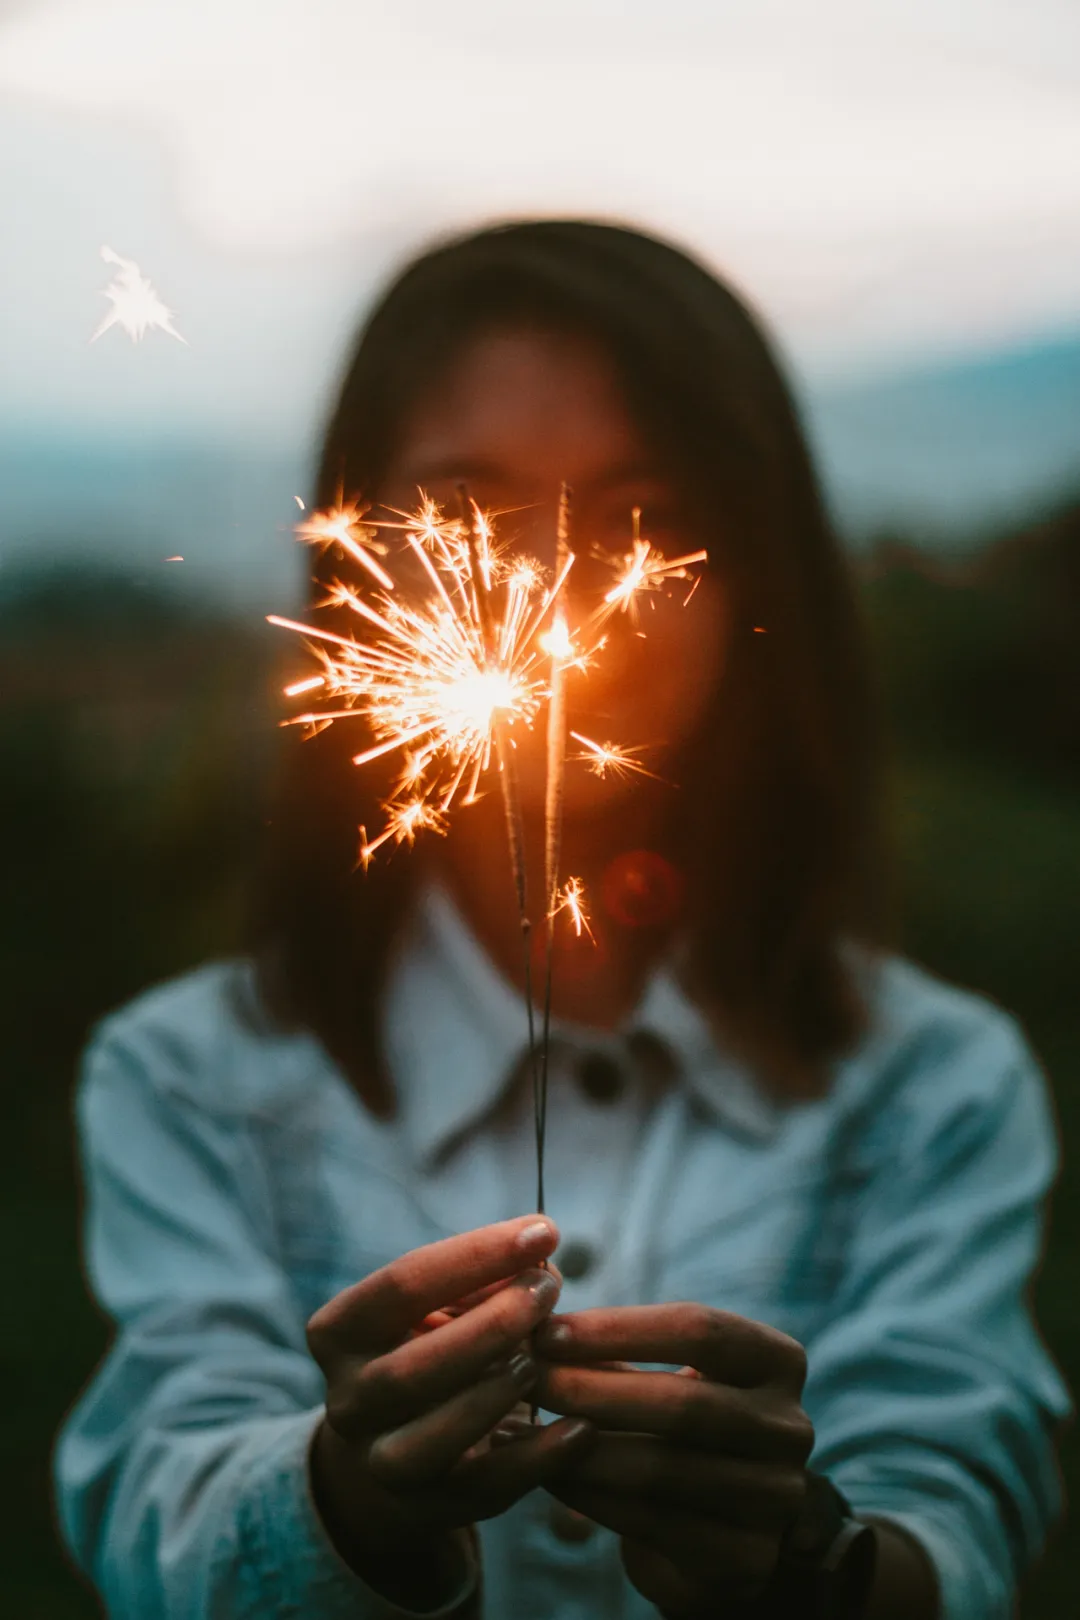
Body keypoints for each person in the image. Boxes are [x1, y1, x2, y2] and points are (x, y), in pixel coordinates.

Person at [55, 221, 1069, 1620]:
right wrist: (347, 1506)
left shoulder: (935, 1087)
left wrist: (805, 1568)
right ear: (354, 560)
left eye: (642, 514)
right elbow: (155, 1522)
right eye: (465, 508)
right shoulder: (187, 1077)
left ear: (752, 568)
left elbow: (961, 1521)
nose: (554, 594)